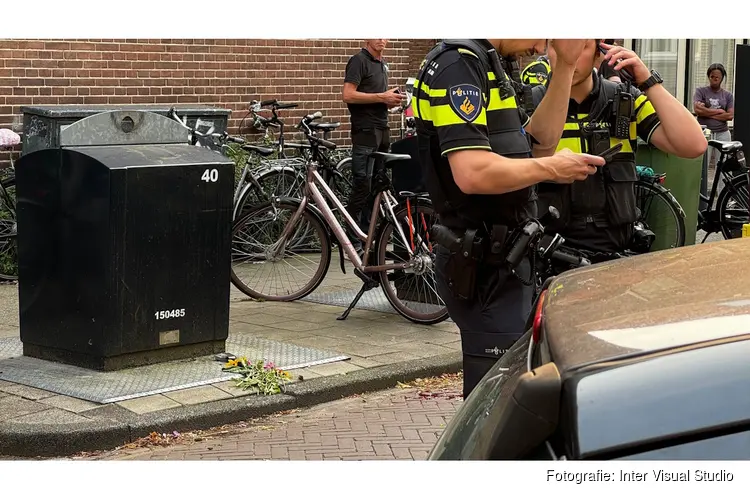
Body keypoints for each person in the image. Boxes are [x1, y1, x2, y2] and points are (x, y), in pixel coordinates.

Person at [411, 38, 606, 399]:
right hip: (482, 266)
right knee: (495, 402)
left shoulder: (490, 62)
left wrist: (564, 66)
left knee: (508, 393)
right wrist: (551, 169)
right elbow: (471, 172)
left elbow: (539, 142)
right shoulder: (459, 66)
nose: (540, 45)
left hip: (507, 262)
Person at [531, 39, 707, 255]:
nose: (568, 55)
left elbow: (694, 144)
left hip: (615, 253)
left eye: (579, 46)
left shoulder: (624, 99)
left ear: (600, 52)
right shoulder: (529, 101)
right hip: (551, 254)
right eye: (558, 45)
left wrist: (648, 81)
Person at [342, 39, 403, 254]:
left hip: (382, 129)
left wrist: (390, 100)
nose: (382, 39)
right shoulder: (358, 61)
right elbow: (348, 94)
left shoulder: (381, 63)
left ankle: (368, 238)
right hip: (365, 132)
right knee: (362, 185)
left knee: (377, 186)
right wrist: (381, 96)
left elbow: (376, 97)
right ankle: (351, 241)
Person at [694, 63, 735, 168]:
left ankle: (723, 185)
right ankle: (701, 185)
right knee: (702, 165)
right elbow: (697, 110)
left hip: (723, 133)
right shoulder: (701, 91)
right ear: (709, 76)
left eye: (717, 77)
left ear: (721, 78)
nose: (714, 79)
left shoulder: (728, 95)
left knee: (723, 165)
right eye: (712, 77)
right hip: (705, 133)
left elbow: (730, 116)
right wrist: (719, 111)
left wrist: (707, 112)